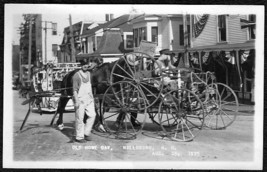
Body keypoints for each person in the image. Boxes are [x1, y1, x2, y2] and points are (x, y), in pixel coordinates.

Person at [72, 59, 96, 143]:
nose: (85, 66)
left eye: (86, 64)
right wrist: (77, 100)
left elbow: (90, 87)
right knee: (80, 118)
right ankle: (79, 137)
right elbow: (75, 90)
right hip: (80, 100)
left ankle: (86, 133)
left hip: (89, 99)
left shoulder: (89, 74)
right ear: (81, 65)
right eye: (83, 64)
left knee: (92, 115)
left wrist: (92, 98)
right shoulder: (76, 75)